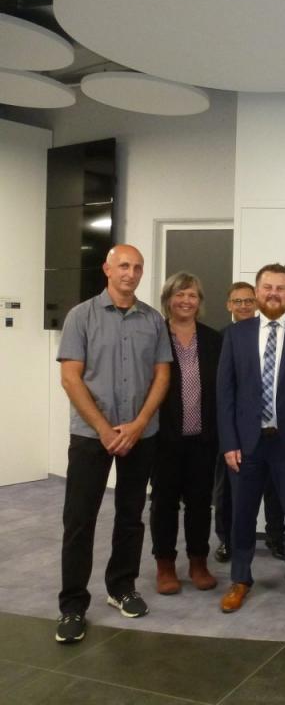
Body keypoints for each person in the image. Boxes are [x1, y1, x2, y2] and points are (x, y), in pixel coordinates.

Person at [55, 244, 172, 644]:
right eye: (123, 265)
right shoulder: (81, 316)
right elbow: (71, 377)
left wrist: (139, 423)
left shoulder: (153, 320)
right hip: (91, 436)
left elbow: (161, 377)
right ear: (107, 268)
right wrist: (104, 429)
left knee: (130, 515)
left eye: (137, 267)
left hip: (141, 434)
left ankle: (121, 587)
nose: (130, 273)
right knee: (79, 519)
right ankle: (73, 605)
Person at [217, 263, 285, 613]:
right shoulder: (236, 334)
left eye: (281, 288)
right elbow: (225, 392)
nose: (274, 293)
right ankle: (240, 578)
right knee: (242, 515)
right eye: (268, 287)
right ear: (257, 292)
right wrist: (229, 443)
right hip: (246, 444)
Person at [151, 272, 221, 596]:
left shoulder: (213, 340)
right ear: (168, 300)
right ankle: (165, 565)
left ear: (199, 301)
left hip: (203, 440)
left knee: (200, 504)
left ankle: (198, 562)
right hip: (163, 439)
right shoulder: (154, 336)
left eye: (192, 295)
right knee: (164, 503)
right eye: (179, 294)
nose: (185, 301)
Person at [212, 282, 285, 564]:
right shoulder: (221, 338)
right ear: (228, 305)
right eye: (237, 301)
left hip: (270, 429)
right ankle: (227, 540)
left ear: (256, 303)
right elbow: (221, 389)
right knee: (228, 491)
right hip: (233, 430)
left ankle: (276, 537)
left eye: (248, 301)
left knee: (274, 489)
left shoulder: (272, 335)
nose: (243, 306)